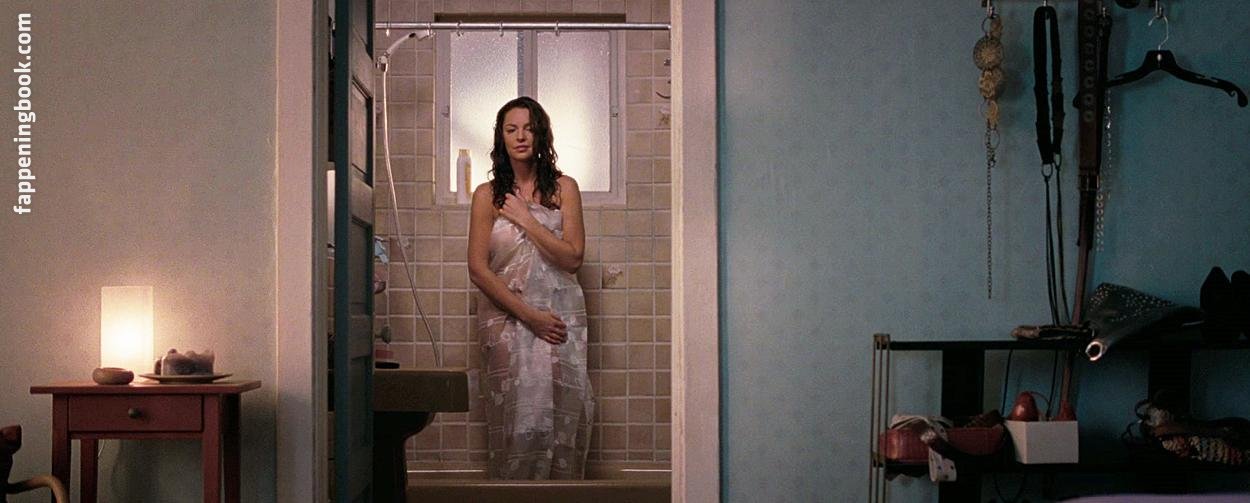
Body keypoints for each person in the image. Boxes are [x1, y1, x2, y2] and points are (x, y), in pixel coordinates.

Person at [467, 96, 594, 479]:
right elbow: (478, 269)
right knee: (518, 420)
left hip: (558, 317)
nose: (521, 136)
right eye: (511, 129)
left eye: (529, 128)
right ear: (501, 137)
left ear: (541, 135)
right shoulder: (487, 195)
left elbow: (573, 258)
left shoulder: (565, 189)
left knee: (558, 414)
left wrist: (526, 219)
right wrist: (529, 317)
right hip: (507, 320)